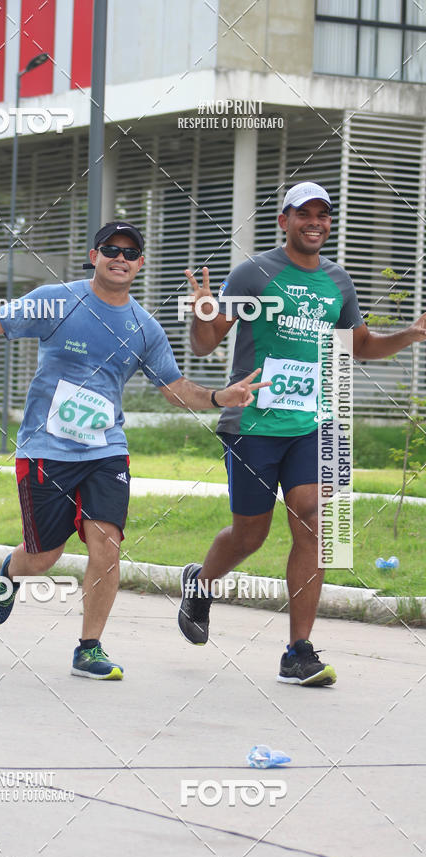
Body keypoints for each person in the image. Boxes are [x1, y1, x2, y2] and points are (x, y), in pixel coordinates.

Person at [0, 221, 268, 680]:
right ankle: (12, 572)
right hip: (46, 448)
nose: (120, 257)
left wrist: (221, 396)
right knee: (43, 557)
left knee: (107, 546)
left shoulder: (144, 327)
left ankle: (89, 647)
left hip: (106, 451)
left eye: (130, 252)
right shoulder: (56, 300)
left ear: (140, 264)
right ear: (94, 255)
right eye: (111, 249)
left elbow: (173, 387)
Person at [179, 182, 426, 686]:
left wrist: (411, 334)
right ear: (284, 221)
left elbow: (360, 347)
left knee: (314, 523)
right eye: (303, 214)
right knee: (251, 533)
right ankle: (201, 585)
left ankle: (298, 651)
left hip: (317, 423)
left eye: (323, 214)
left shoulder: (339, 281)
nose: (315, 222)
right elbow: (206, 347)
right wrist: (203, 312)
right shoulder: (254, 273)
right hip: (252, 423)